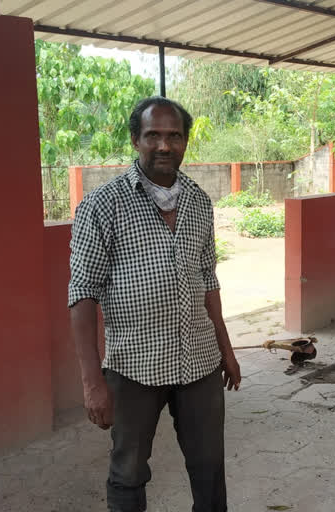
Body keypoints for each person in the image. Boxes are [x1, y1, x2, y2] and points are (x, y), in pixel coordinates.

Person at [68, 96, 241, 512]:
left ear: (185, 141)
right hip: (134, 368)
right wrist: (93, 383)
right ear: (135, 139)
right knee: (127, 471)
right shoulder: (102, 205)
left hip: (199, 361)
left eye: (174, 136)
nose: (164, 146)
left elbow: (208, 280)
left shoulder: (199, 202)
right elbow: (82, 292)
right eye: (154, 136)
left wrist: (226, 348)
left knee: (209, 467)